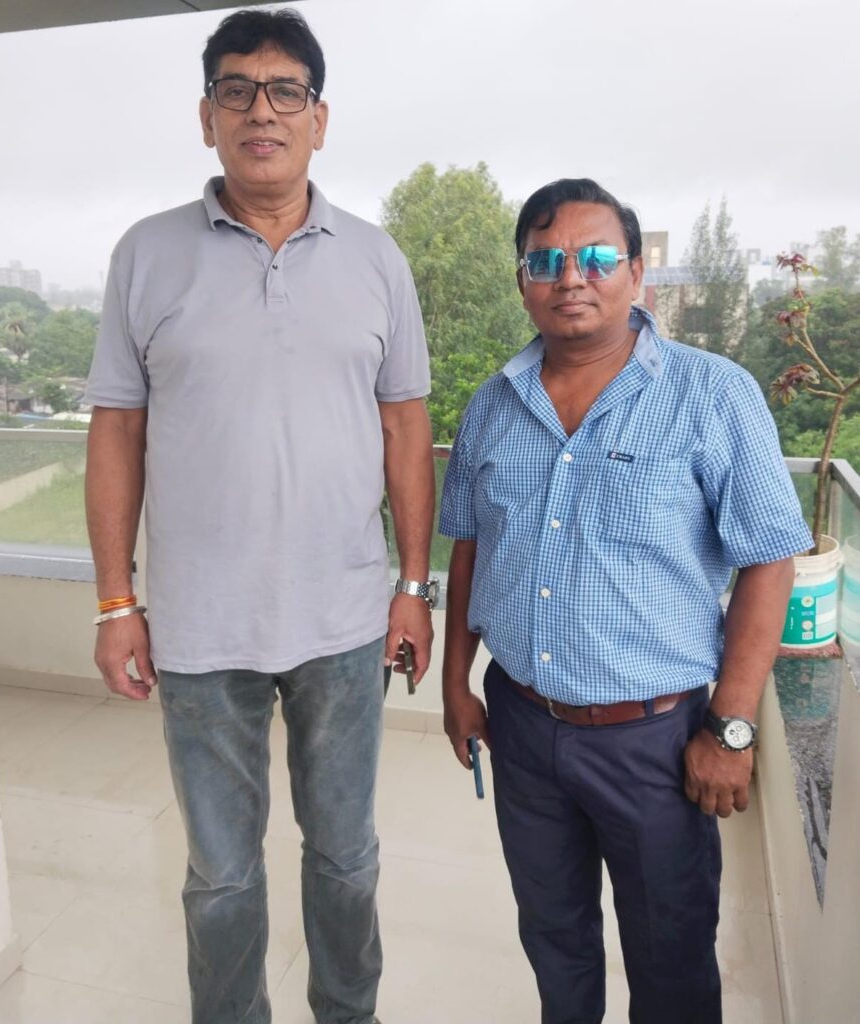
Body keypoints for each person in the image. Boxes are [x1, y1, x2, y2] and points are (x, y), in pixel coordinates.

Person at [84, 9, 436, 1024]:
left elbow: (405, 428)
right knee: (223, 877)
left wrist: (412, 588)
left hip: (344, 621)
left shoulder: (376, 259)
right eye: (235, 90)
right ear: (207, 117)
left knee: (346, 858)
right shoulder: (146, 254)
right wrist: (116, 603)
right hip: (201, 630)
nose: (261, 112)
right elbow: (116, 432)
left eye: (285, 91)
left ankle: (347, 1013)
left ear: (318, 118)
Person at [439, 177, 812, 1024]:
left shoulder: (712, 394)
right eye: (545, 260)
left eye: (596, 257)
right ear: (522, 280)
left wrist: (731, 727)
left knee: (669, 955)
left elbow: (768, 561)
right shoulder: (492, 406)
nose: (570, 277)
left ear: (636, 272)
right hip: (522, 726)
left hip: (654, 740)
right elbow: (469, 547)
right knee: (553, 936)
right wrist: (456, 684)